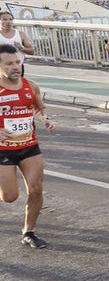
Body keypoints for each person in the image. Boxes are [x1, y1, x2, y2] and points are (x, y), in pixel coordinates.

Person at [1, 43, 55, 249]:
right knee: (9, 197)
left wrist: (46, 119)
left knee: (36, 188)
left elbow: (39, 107)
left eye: (17, 62)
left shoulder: (31, 85)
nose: (16, 67)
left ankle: (29, 232)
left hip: (29, 145)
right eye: (9, 64)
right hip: (3, 149)